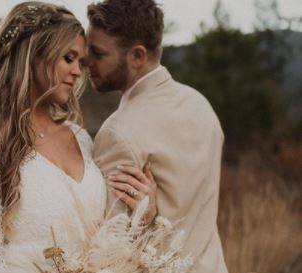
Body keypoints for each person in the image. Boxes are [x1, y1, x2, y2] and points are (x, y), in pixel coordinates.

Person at [0, 2, 157, 272]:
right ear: (33, 56)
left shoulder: (81, 138)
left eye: (81, 62)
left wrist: (143, 215)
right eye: (69, 58)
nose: (78, 72)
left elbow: (104, 240)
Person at [87, 0, 229, 272]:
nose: (86, 61)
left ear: (137, 56)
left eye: (98, 53)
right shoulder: (201, 105)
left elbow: (110, 249)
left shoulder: (118, 132)